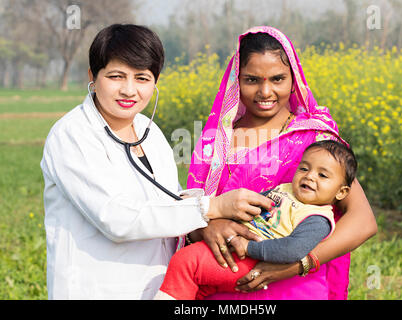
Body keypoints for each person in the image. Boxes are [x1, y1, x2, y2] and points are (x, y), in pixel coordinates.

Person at [40, 24, 272, 300]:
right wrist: (212, 207)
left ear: (155, 81)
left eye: (142, 78)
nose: (129, 90)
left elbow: (169, 199)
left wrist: (208, 223)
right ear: (93, 76)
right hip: (96, 287)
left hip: (156, 287)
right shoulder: (73, 134)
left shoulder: (149, 132)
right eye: (116, 76)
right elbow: (117, 218)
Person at [186, 26, 377, 300]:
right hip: (225, 281)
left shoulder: (314, 138)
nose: (266, 91)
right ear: (235, 81)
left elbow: (363, 221)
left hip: (297, 286)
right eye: (252, 80)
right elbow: (188, 211)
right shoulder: (216, 141)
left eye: (277, 79)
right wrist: (206, 227)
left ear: (294, 79)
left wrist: (298, 263)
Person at [155, 140, 358, 300]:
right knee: (198, 289)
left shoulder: (317, 218)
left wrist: (248, 247)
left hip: (253, 260)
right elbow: (251, 206)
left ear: (342, 192)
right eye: (304, 169)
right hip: (237, 250)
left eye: (322, 175)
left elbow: (292, 250)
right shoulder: (285, 190)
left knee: (185, 262)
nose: (310, 177)